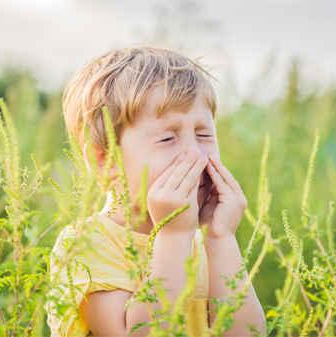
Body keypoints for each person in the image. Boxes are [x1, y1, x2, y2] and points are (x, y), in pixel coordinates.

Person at [45, 46, 266, 337]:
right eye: (166, 138)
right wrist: (172, 234)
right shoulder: (86, 244)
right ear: (106, 160)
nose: (194, 154)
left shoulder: (204, 245)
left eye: (204, 135)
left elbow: (247, 333)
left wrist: (221, 238)